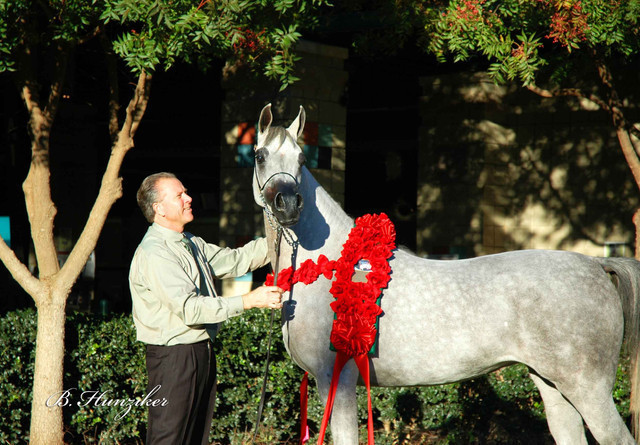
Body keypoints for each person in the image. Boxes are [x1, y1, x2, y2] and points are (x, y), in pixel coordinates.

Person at [129, 172, 283, 445]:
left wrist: (279, 233)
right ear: (159, 208)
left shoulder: (189, 242)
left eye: (185, 192)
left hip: (198, 351)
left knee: (195, 436)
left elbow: (236, 261)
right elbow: (189, 309)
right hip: (174, 358)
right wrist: (249, 300)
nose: (189, 198)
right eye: (179, 195)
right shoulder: (156, 253)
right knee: (170, 438)